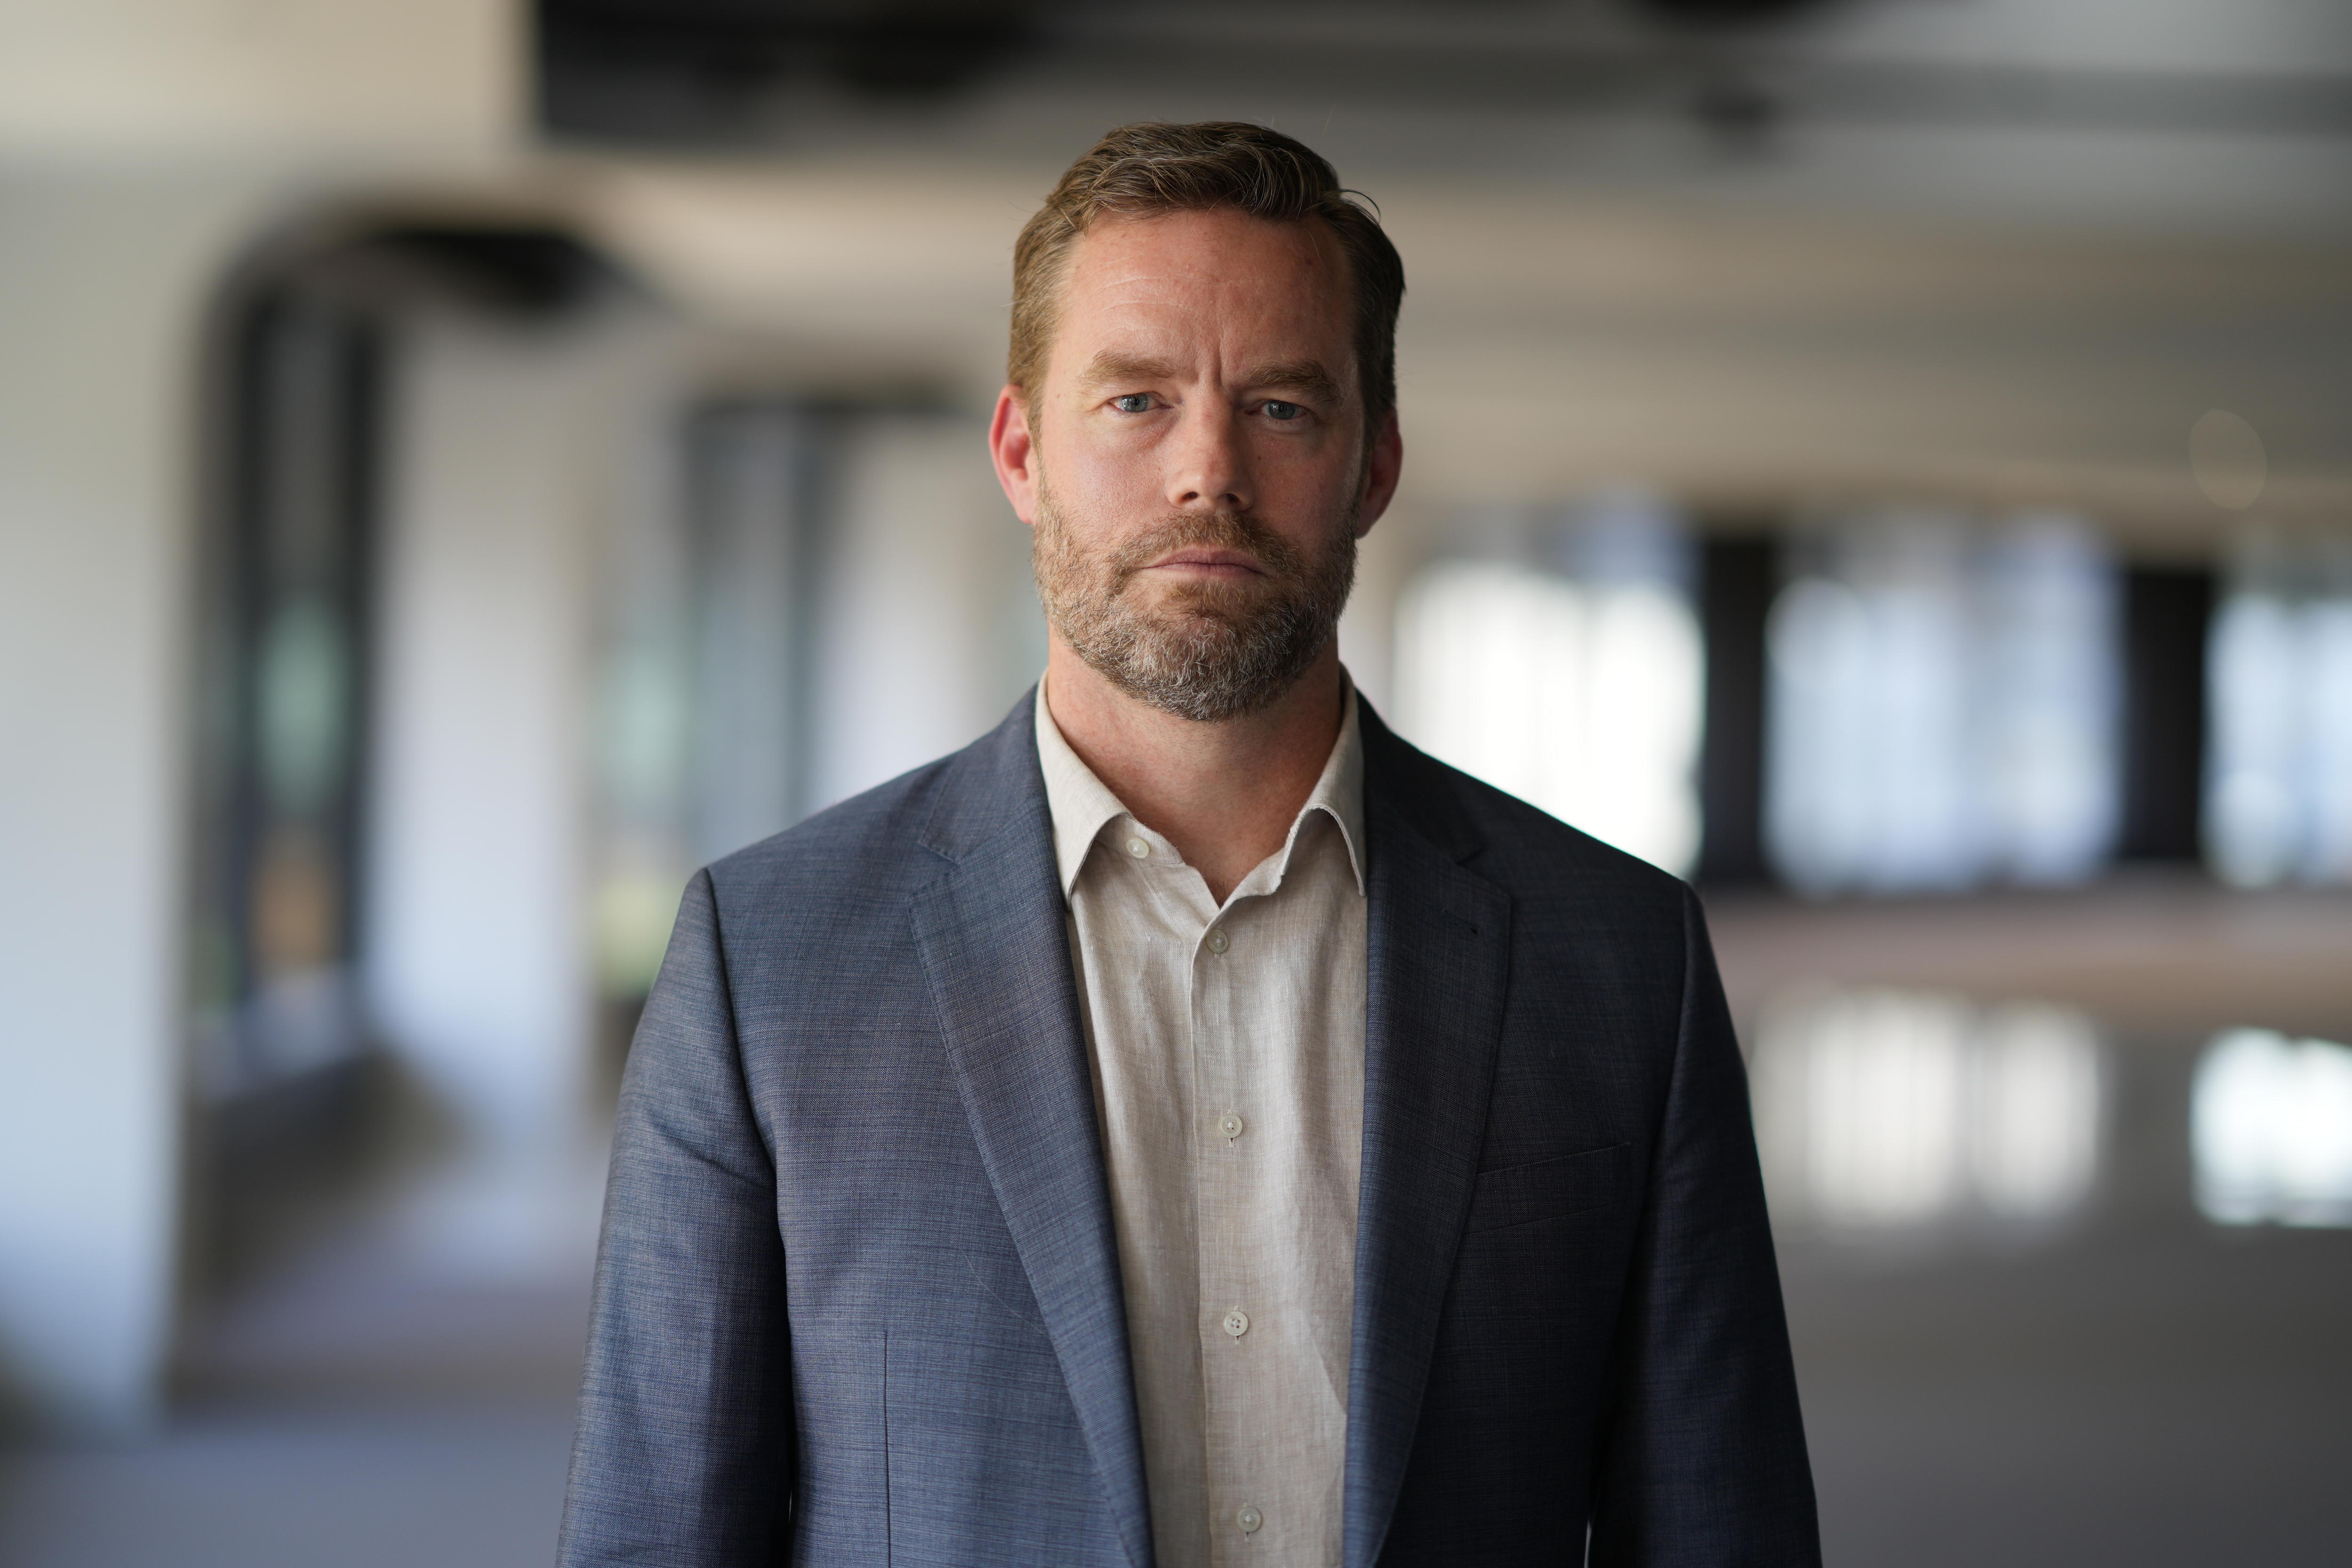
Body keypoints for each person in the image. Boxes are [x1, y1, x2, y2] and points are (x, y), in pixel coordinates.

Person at [558, 121, 1818, 1568]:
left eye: (1281, 407)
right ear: (1023, 452)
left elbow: (1723, 1528)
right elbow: (656, 1536)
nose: (1207, 470)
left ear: (1375, 465)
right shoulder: (770, 960)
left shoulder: (1619, 966)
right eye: (1137, 401)